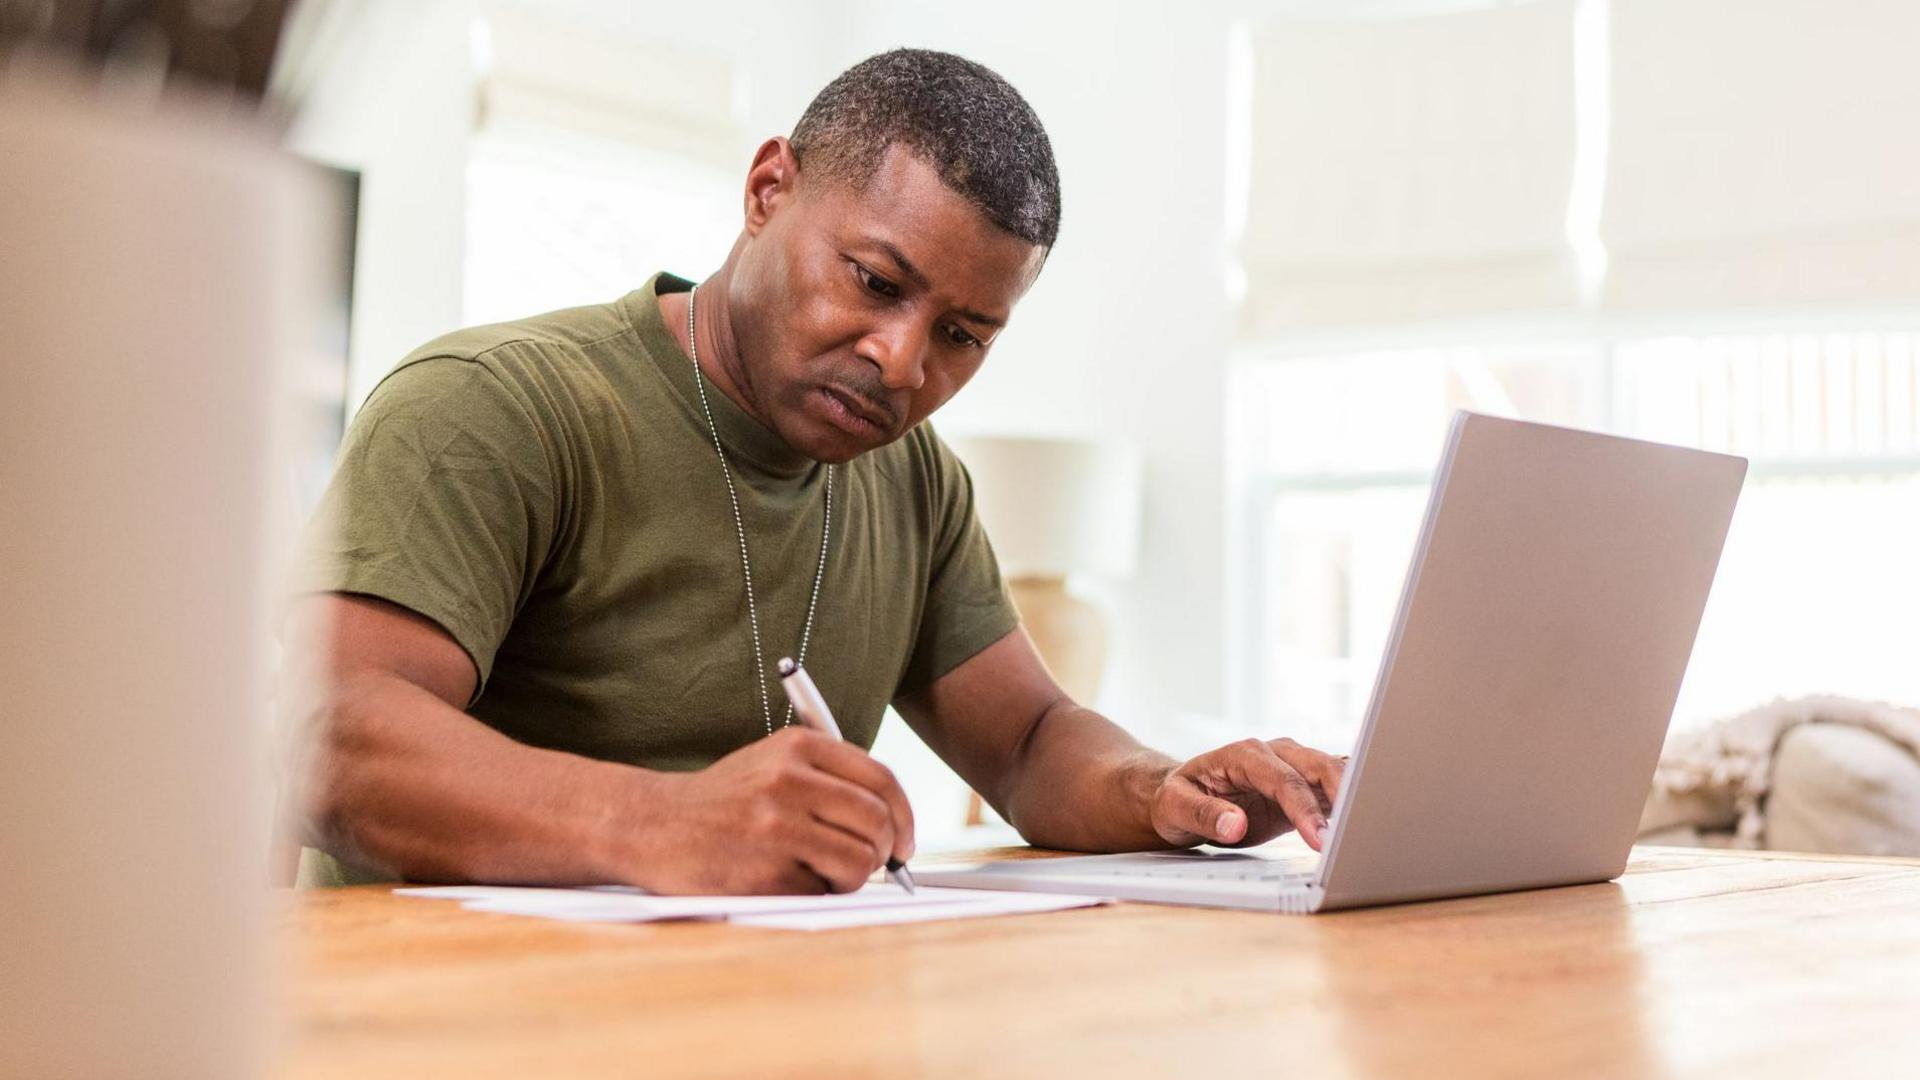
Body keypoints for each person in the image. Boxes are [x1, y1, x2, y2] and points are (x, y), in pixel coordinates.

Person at [285, 48, 1347, 893]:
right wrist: (669, 822)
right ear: (766, 190)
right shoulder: (497, 405)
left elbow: (1026, 742)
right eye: (877, 280)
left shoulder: (913, 478)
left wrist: (1164, 789)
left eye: (965, 335)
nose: (902, 360)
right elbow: (329, 739)